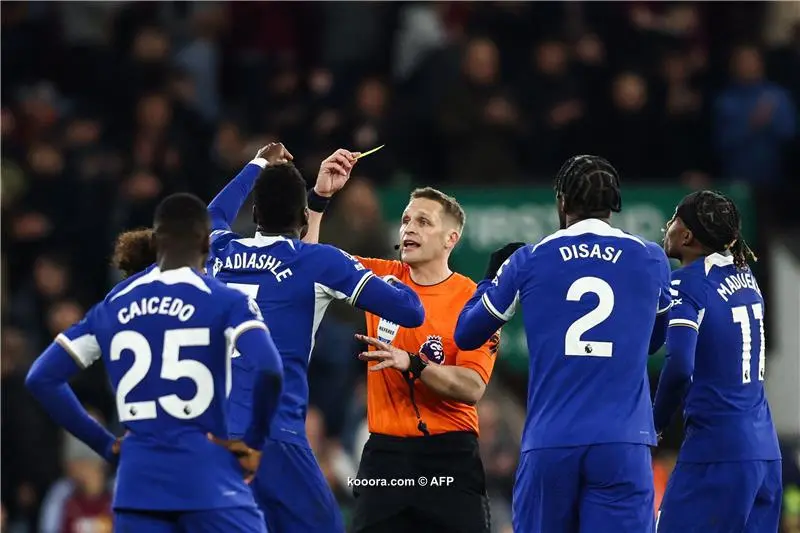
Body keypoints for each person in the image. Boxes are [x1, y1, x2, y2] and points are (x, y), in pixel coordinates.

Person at [26, 193, 284, 533]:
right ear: (206, 242)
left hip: (137, 487)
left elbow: (41, 378)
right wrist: (253, 442)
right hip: (208, 480)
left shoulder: (113, 305)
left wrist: (105, 444)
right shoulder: (224, 299)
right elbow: (269, 367)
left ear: (157, 241)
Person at [205, 144, 426, 533]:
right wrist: (395, 282)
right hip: (274, 436)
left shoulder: (220, 250)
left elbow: (212, 216)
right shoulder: (321, 262)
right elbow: (410, 312)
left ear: (255, 213)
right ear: (302, 219)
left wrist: (258, 164)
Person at [454, 154, 672, 533]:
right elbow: (656, 340)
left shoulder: (530, 259)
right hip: (622, 441)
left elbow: (467, 334)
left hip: (551, 440)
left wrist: (490, 280)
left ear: (561, 201)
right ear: (613, 206)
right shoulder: (650, 257)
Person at [309, 185, 499, 533]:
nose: (409, 228)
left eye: (424, 222)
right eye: (406, 220)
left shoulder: (473, 301)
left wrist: (414, 364)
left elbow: (472, 387)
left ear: (450, 239)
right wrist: (319, 199)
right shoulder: (378, 280)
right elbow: (309, 262)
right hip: (385, 457)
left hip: (449, 458)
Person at [653, 190, 782, 532]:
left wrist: (654, 423)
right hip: (765, 452)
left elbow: (680, 364)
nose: (667, 226)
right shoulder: (746, 278)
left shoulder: (688, 282)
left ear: (688, 235)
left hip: (717, 452)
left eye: (674, 219)